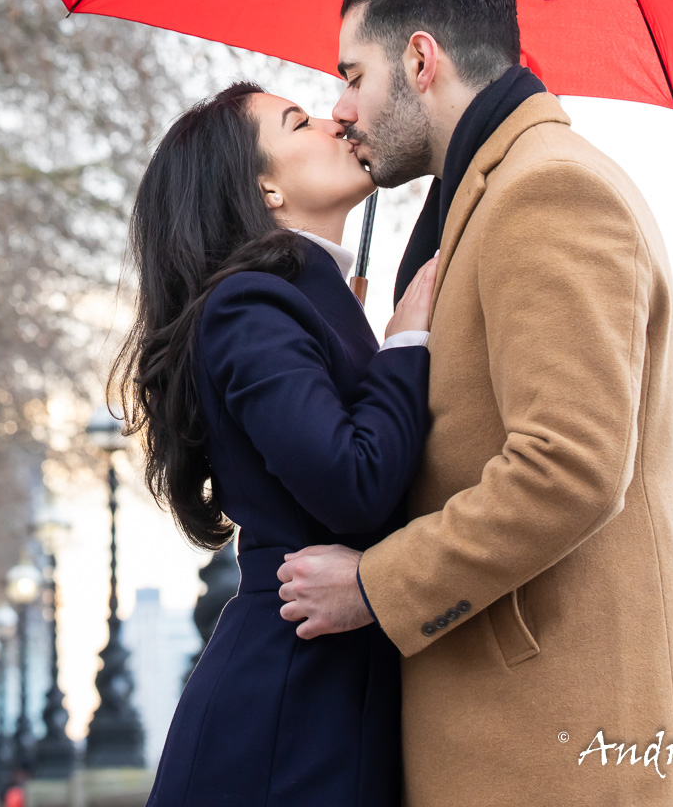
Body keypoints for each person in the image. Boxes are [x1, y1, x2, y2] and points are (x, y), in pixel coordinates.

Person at [275, 0, 673, 806]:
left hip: (586, 753)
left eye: (354, 74)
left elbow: (569, 466)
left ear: (421, 59)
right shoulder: (480, 201)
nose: (340, 109)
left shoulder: (547, 192)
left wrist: (375, 588)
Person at [113, 81, 438, 806]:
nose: (336, 121)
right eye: (300, 122)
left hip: (321, 705)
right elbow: (352, 480)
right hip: (285, 727)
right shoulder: (247, 304)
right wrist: (405, 344)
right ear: (264, 188)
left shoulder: (300, 297)